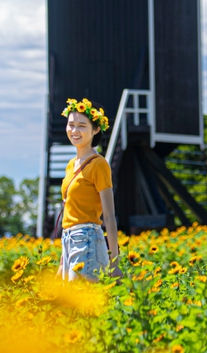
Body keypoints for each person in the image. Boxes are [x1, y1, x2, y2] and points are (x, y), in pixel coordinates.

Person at [58, 98, 120, 282]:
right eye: (71, 125)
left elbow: (109, 215)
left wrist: (114, 261)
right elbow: (68, 212)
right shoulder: (71, 165)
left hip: (87, 238)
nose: (74, 131)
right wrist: (62, 261)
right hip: (68, 239)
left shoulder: (99, 164)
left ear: (95, 129)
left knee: (83, 303)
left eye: (82, 126)